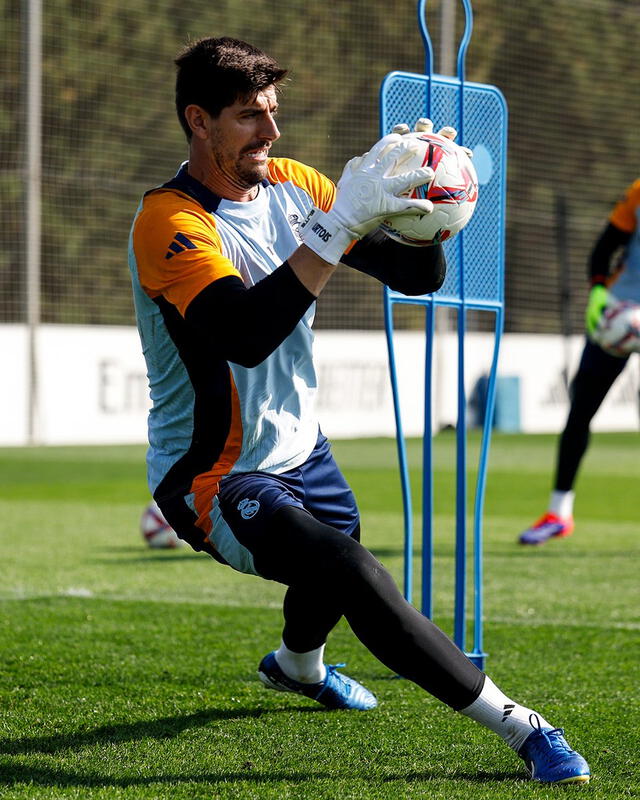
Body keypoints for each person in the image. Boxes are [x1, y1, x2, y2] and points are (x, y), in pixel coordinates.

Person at [128, 36, 590, 784]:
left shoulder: (295, 184)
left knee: (334, 556)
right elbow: (245, 335)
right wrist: (339, 224)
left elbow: (415, 277)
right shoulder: (169, 222)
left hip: (303, 449)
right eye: (249, 117)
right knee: (349, 566)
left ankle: (297, 667)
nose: (271, 134)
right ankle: (520, 726)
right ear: (199, 121)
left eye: (273, 113)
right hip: (215, 478)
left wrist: (435, 201)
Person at [519, 179, 640, 546]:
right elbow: (605, 246)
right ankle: (559, 512)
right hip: (618, 314)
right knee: (580, 410)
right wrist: (599, 291)